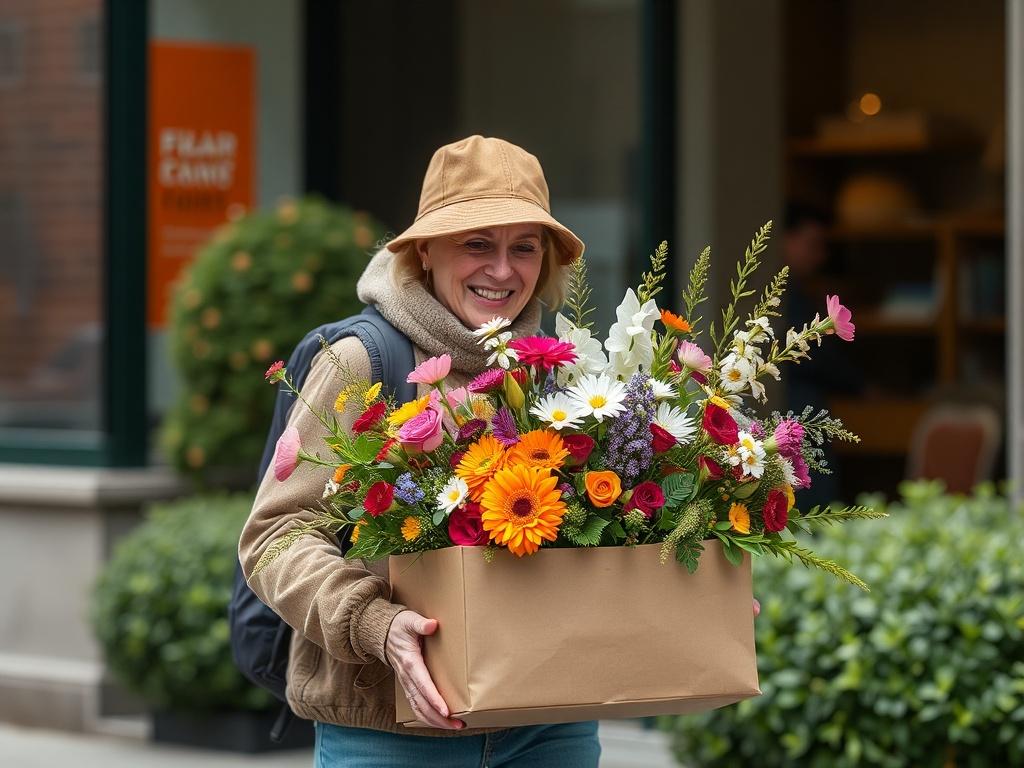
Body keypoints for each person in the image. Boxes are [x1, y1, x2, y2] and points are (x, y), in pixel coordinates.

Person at [238, 136, 602, 767]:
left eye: (524, 247)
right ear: (424, 251)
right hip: (392, 731)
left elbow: (605, 538)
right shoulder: (361, 364)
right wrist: (376, 625)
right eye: (477, 244)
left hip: (549, 722)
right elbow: (276, 537)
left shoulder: (562, 374)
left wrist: (685, 584)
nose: (503, 270)